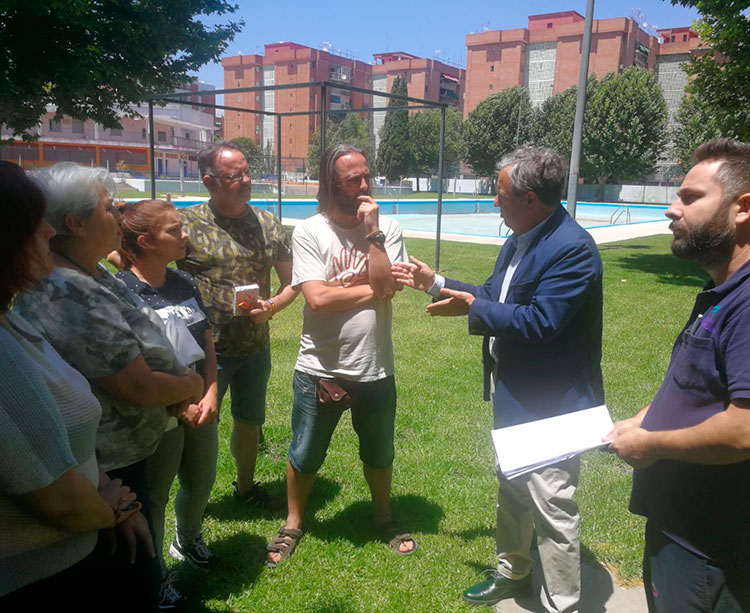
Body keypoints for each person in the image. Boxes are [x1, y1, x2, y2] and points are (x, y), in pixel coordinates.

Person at [393, 147, 603, 612]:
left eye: (499, 192)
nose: (493, 201)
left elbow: (541, 321)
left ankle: (561, 604)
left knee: (553, 507)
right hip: (516, 395)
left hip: (554, 406)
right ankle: (513, 570)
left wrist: (476, 310)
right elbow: (495, 295)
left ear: (530, 199)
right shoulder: (522, 236)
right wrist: (435, 282)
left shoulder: (571, 249)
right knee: (512, 488)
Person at [14, 162, 205, 609]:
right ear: (75, 223)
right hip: (108, 463)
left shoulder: (89, 271)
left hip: (126, 448)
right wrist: (187, 387)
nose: (120, 214)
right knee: (124, 574)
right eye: (108, 207)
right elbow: (133, 386)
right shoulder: (67, 290)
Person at [606, 138, 750, 612]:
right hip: (679, 527)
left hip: (711, 546)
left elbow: (746, 430)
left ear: (742, 208)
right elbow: (696, 386)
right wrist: (644, 418)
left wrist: (652, 444)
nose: (672, 210)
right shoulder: (720, 290)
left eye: (690, 198)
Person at [265, 144, 416, 568]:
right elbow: (316, 298)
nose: (365, 185)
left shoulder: (388, 229)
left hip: (374, 365)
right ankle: (294, 521)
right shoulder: (311, 231)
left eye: (367, 176)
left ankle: (383, 516)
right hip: (320, 366)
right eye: (354, 179)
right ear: (332, 185)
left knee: (379, 450)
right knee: (305, 451)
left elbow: (392, 284)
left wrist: (373, 235)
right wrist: (376, 288)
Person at [0, 161, 142, 607]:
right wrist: (115, 510)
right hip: (38, 577)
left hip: (79, 544)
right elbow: (57, 500)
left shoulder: (11, 321)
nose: (47, 232)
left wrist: (103, 490)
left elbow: (59, 437)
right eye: (33, 222)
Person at [178, 141, 297, 507]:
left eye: (247, 172)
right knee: (199, 428)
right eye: (235, 176)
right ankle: (194, 501)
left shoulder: (266, 223)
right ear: (210, 181)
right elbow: (136, 259)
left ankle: (246, 488)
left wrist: (273, 306)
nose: (246, 180)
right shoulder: (186, 225)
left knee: (249, 421)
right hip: (203, 351)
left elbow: (294, 281)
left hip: (254, 347)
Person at [115, 199, 220, 599]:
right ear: (145, 241)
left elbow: (206, 342)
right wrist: (176, 403)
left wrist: (210, 392)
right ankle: (155, 572)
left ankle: (187, 539)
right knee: (154, 496)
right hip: (156, 413)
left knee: (202, 478)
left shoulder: (183, 281)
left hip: (199, 402)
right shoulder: (122, 292)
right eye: (174, 230)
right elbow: (131, 363)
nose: (185, 235)